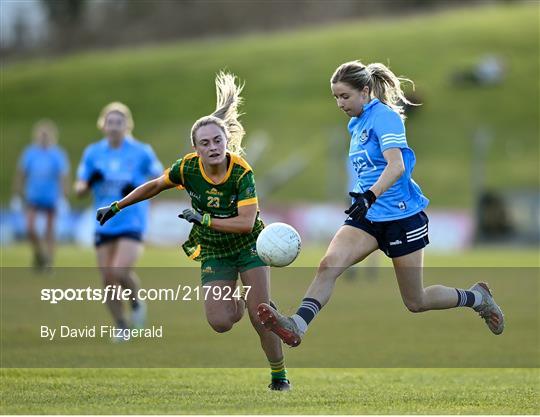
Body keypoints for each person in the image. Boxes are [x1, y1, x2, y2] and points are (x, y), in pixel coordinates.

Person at [257, 60, 505, 348]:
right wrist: (363, 198)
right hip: (367, 216)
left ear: (364, 92)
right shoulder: (356, 123)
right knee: (328, 265)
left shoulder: (385, 117)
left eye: (344, 96)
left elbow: (396, 165)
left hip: (401, 217)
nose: (339, 103)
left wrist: (370, 195)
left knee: (416, 301)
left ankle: (477, 298)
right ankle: (296, 325)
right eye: (335, 97)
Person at [95, 72, 291, 391]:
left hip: (249, 245)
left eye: (217, 141)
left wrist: (203, 220)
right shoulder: (187, 168)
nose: (213, 147)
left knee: (261, 317)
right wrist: (117, 206)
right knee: (220, 322)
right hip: (214, 249)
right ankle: (249, 300)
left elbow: (244, 222)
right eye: (205, 143)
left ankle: (279, 376)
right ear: (195, 148)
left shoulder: (241, 172)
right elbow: (155, 185)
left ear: (226, 142)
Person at [75, 102, 163, 336]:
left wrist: (136, 185)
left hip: (132, 219)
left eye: (119, 122)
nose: (114, 127)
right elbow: (79, 188)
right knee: (107, 278)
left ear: (127, 125)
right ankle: (122, 326)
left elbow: (160, 177)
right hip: (104, 222)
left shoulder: (141, 151)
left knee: (119, 271)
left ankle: (136, 303)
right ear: (103, 125)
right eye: (110, 122)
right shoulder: (93, 153)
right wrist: (89, 182)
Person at [14, 119, 70, 271]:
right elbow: (22, 173)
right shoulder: (30, 153)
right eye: (41, 134)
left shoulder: (57, 154)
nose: (44, 138)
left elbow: (62, 176)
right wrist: (18, 193)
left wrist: (64, 196)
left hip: (51, 197)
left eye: (47, 135)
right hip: (33, 196)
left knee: (49, 230)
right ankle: (39, 254)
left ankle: (49, 262)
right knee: (30, 227)